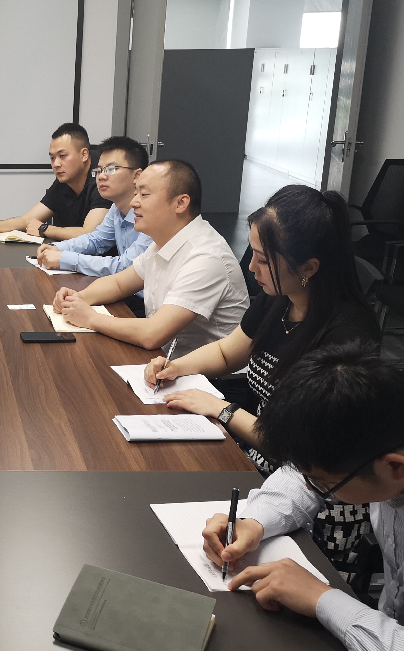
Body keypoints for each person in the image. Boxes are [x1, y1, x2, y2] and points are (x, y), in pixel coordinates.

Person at [143, 184, 381, 579]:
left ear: (308, 268)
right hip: (264, 464)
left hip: (321, 494)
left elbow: (302, 453)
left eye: (262, 259)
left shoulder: (346, 340)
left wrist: (222, 410)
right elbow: (228, 352)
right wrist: (175, 367)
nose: (251, 268)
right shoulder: (279, 298)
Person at [203, 343, 404, 651]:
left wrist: (323, 600)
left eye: (322, 485)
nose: (312, 487)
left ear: (394, 467)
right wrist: (255, 521)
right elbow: (306, 471)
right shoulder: (391, 412)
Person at [52, 159, 248, 353]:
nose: (133, 202)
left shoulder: (205, 257)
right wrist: (78, 298)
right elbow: (118, 284)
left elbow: (152, 334)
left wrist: (90, 318)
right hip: (164, 360)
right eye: (135, 193)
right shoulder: (162, 242)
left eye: (144, 194)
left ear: (180, 203)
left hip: (199, 371)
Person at [35, 135, 153, 277]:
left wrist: (65, 259)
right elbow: (95, 240)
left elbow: (127, 267)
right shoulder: (116, 208)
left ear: (137, 176)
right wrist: (56, 247)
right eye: (99, 170)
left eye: (111, 169)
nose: (101, 176)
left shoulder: (152, 214)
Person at [0, 123, 111, 240]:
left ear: (84, 155)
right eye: (52, 158)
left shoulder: (103, 178)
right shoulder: (64, 182)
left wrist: (44, 229)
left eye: (62, 156)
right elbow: (27, 219)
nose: (56, 164)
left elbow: (90, 234)